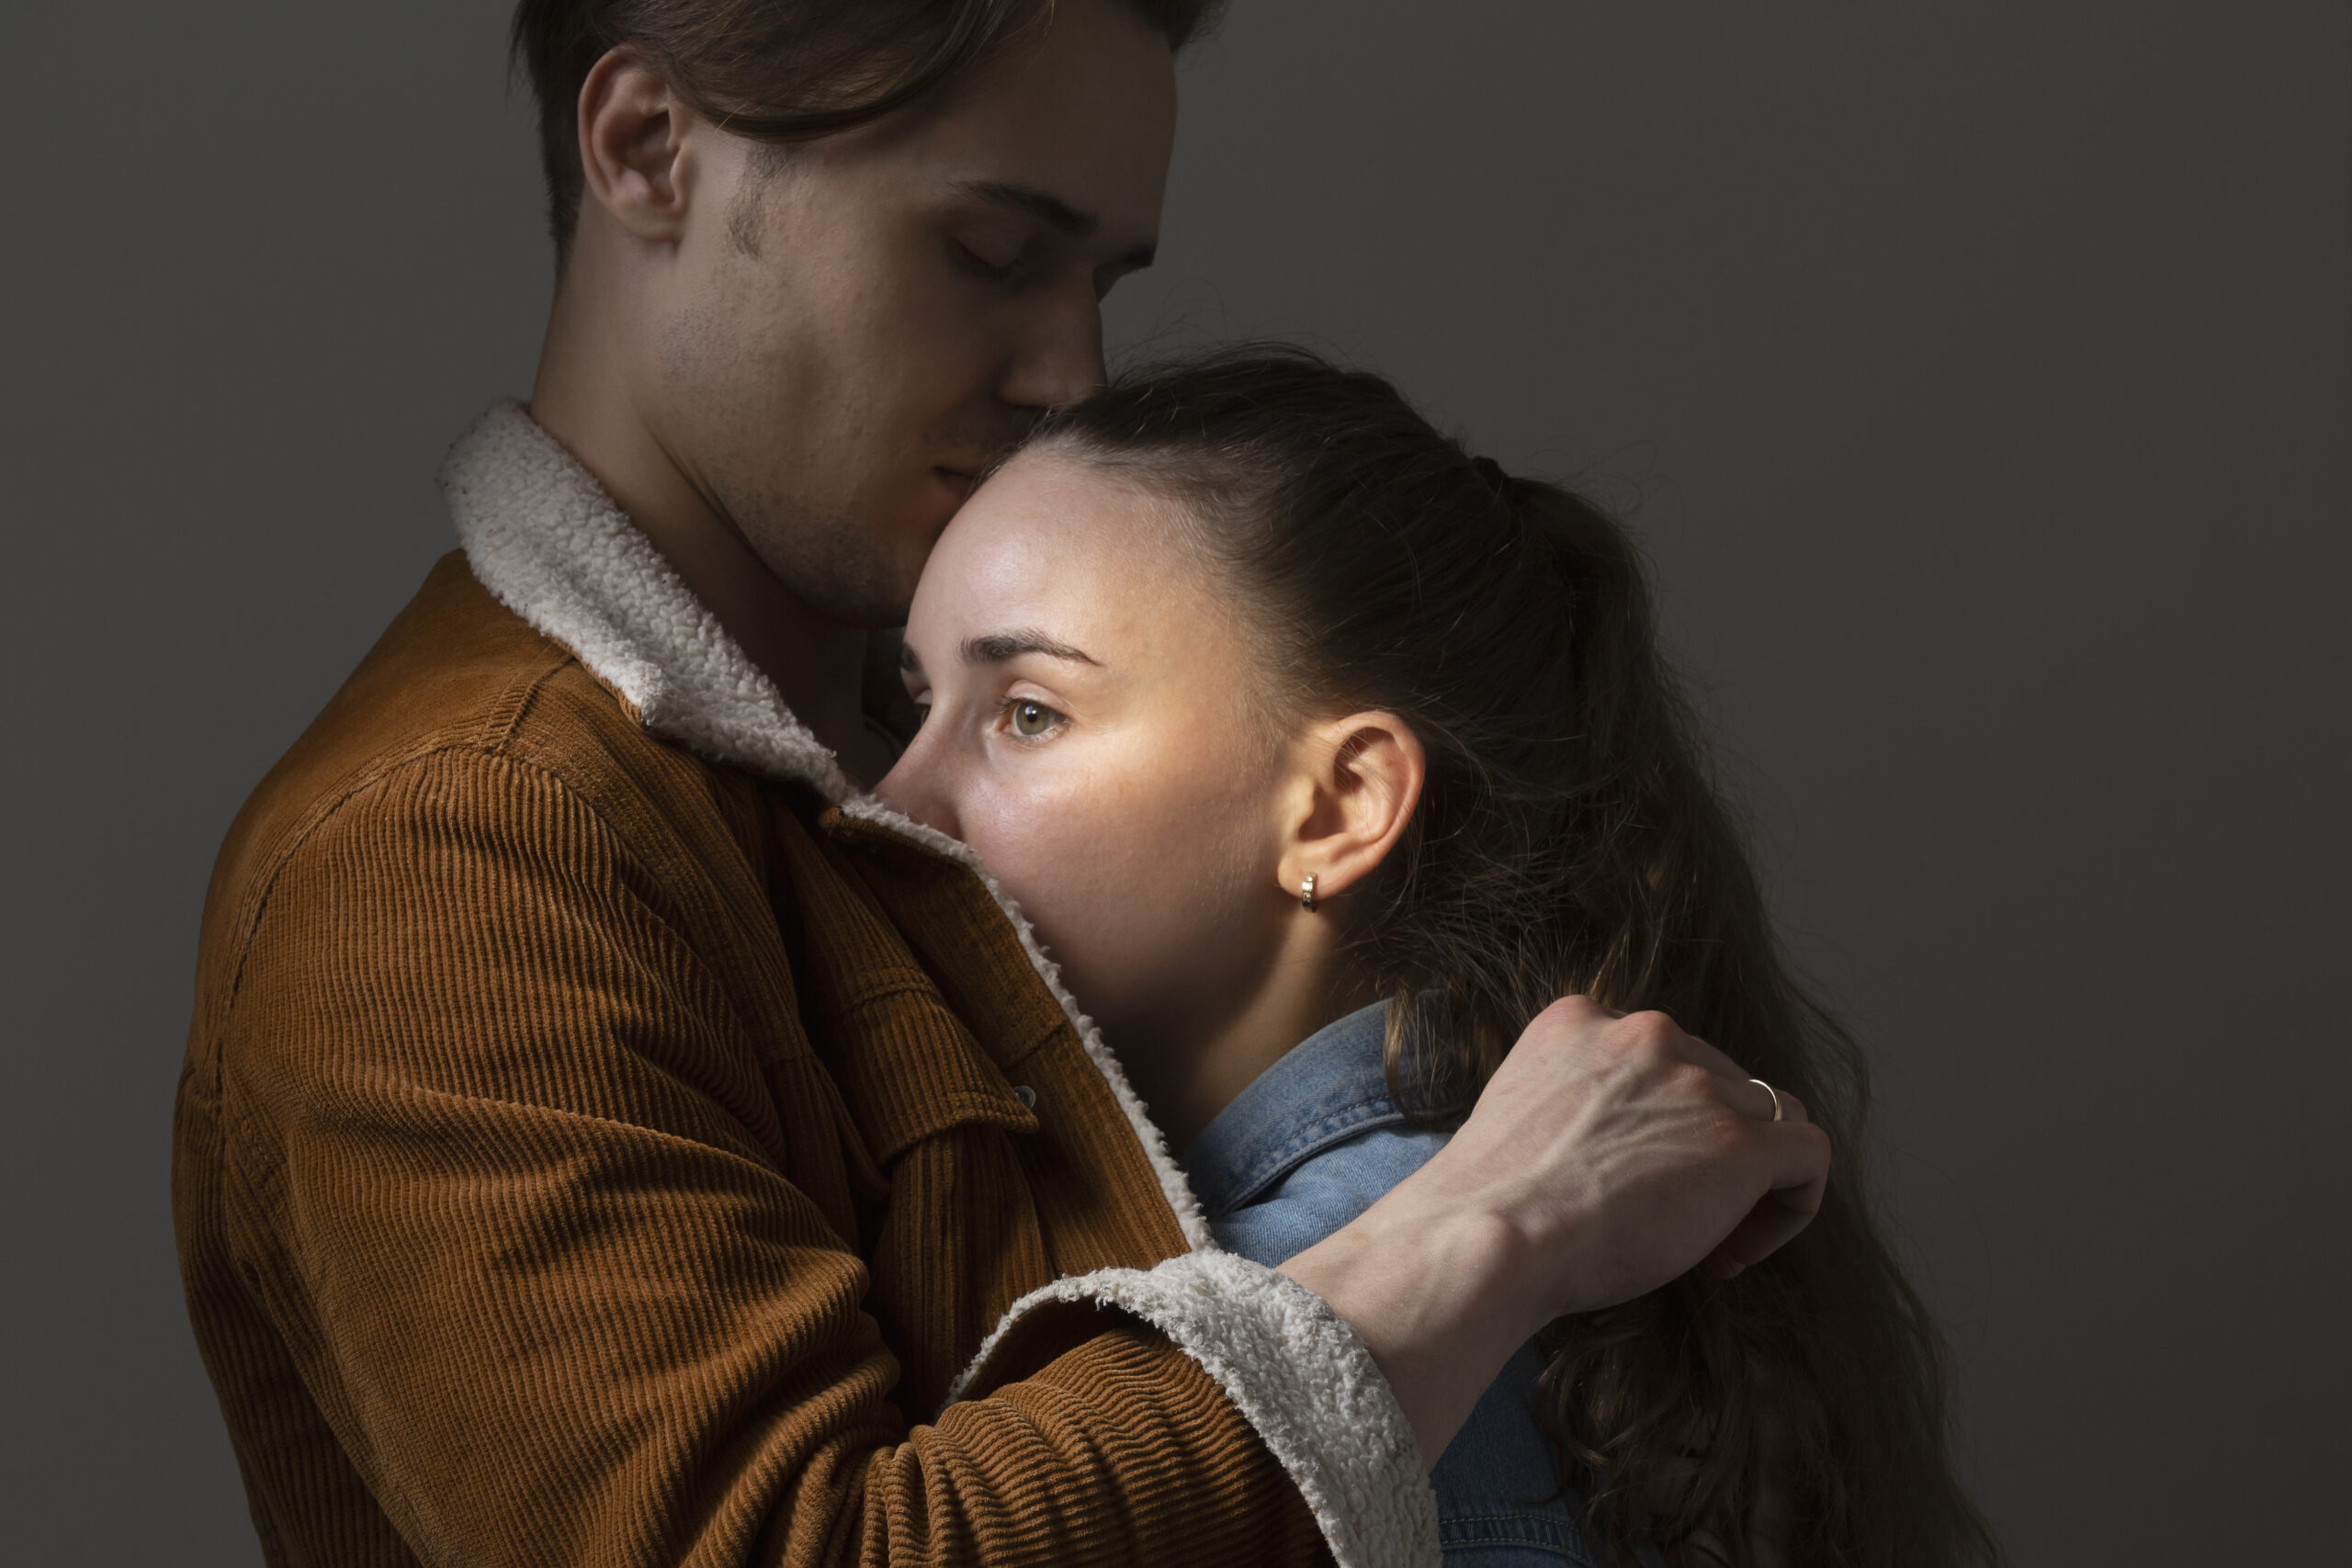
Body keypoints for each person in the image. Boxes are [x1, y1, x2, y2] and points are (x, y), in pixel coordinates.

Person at [173, 4, 1831, 1565]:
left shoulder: (853, 778)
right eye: (990, 252)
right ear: (648, 146)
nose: (1070, 372)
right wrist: (1491, 1230)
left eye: (1098, 278)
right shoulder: (457, 844)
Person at [872, 349, 2003, 1568]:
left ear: (1339, 806)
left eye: (1027, 713)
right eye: (912, 705)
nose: (888, 799)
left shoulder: (1303, 1318)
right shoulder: (1538, 1275)